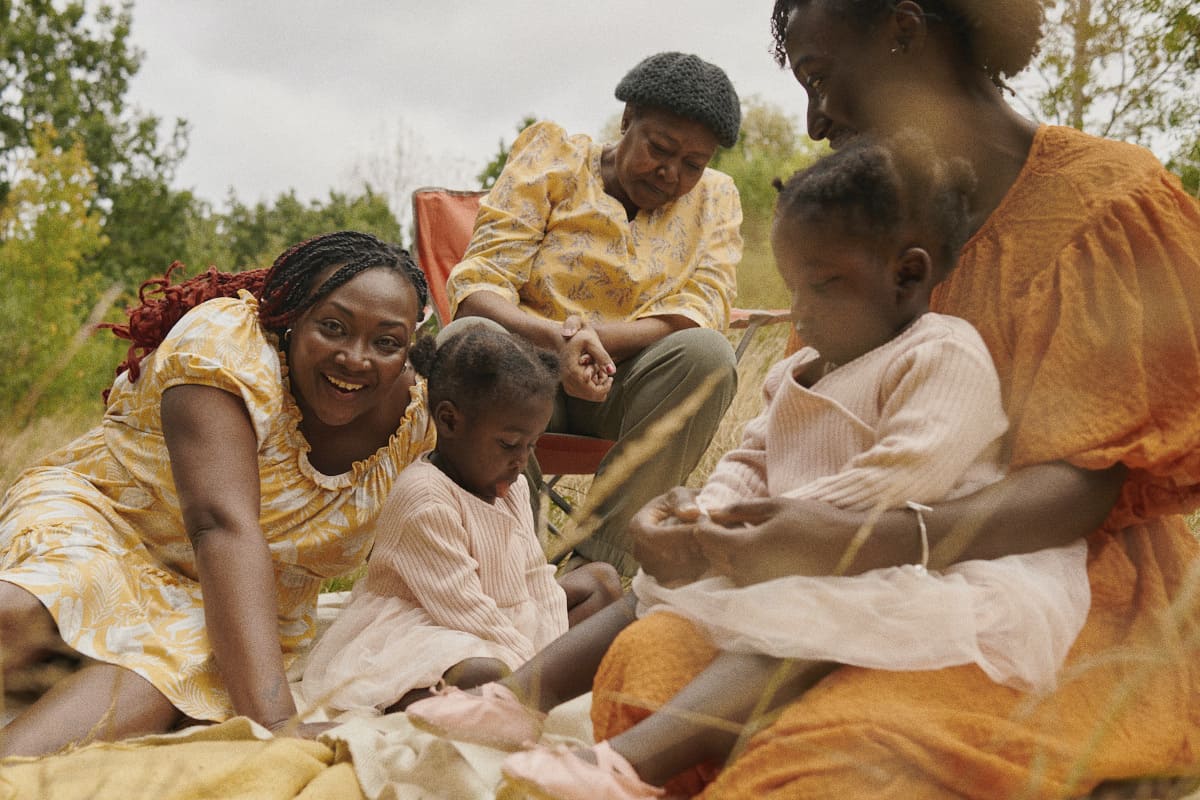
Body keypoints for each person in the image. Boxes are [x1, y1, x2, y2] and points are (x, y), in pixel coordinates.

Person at [586, 1, 1200, 798]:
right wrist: (704, 520)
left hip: (1056, 600)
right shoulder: (860, 226)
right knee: (652, 662)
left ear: (903, 31)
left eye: (818, 77)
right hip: (851, 575)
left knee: (829, 763)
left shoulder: (1107, 203)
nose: (812, 122)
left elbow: (1092, 478)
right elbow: (802, 428)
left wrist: (861, 538)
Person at [409, 135, 1091, 799]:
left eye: (822, 287)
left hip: (911, 562)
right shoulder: (803, 368)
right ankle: (520, 697)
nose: (800, 310)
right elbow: (753, 457)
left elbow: (901, 476)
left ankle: (626, 764)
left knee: (805, 614)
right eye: (795, 286)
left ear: (907, 275)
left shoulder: (944, 356)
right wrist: (704, 514)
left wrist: (759, 530)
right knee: (654, 585)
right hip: (791, 540)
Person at [0, 231, 436, 758]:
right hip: (109, 521)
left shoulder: (424, 419)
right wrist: (276, 723)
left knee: (149, 683)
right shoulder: (224, 346)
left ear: (410, 345)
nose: (355, 359)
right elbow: (221, 525)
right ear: (294, 316)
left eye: (386, 342)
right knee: (24, 609)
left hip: (230, 600)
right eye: (333, 328)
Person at [445, 51, 744, 577]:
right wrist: (558, 343)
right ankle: (510, 562)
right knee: (469, 338)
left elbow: (705, 303)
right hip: (527, 375)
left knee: (709, 354)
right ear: (627, 119)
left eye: (692, 164)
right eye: (660, 148)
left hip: (630, 389)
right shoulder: (553, 158)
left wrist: (598, 339)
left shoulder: (716, 199)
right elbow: (478, 284)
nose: (670, 173)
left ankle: (595, 568)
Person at [299, 326, 621, 716]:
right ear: (449, 421)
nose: (522, 460)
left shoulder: (511, 483)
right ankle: (409, 701)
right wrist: (541, 669)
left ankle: (521, 690)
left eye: (531, 445)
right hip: (426, 627)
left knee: (602, 582)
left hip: (502, 617)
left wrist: (546, 655)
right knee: (481, 671)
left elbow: (537, 578)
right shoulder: (424, 497)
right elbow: (465, 611)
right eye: (508, 444)